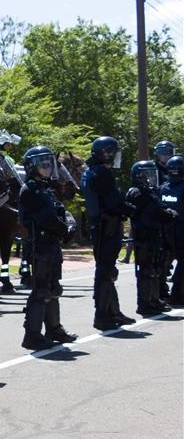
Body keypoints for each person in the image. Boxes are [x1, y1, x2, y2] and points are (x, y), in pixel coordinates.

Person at [18, 146, 79, 350]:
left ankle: (53, 329)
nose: (46, 167)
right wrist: (65, 230)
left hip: (51, 245)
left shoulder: (46, 188)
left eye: (48, 163)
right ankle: (32, 335)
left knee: (54, 288)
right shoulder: (31, 189)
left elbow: (61, 211)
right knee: (41, 290)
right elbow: (46, 218)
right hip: (39, 245)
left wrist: (70, 224)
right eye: (41, 163)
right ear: (31, 167)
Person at [81, 136, 136, 330]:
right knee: (105, 271)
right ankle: (102, 315)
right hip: (108, 227)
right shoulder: (102, 174)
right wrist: (132, 208)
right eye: (113, 152)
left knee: (105, 269)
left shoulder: (90, 172)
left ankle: (113, 311)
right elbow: (114, 203)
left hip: (100, 227)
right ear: (106, 153)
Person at [126, 160, 177, 316]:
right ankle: (145, 303)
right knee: (147, 271)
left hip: (153, 235)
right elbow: (155, 212)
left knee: (155, 270)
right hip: (144, 236)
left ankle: (154, 299)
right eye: (147, 175)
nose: (150, 179)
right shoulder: (138, 193)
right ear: (139, 176)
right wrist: (168, 214)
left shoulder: (148, 192)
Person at [160, 155, 184, 305]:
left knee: (162, 262)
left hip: (164, 229)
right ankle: (177, 294)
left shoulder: (163, 188)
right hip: (181, 228)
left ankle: (161, 293)